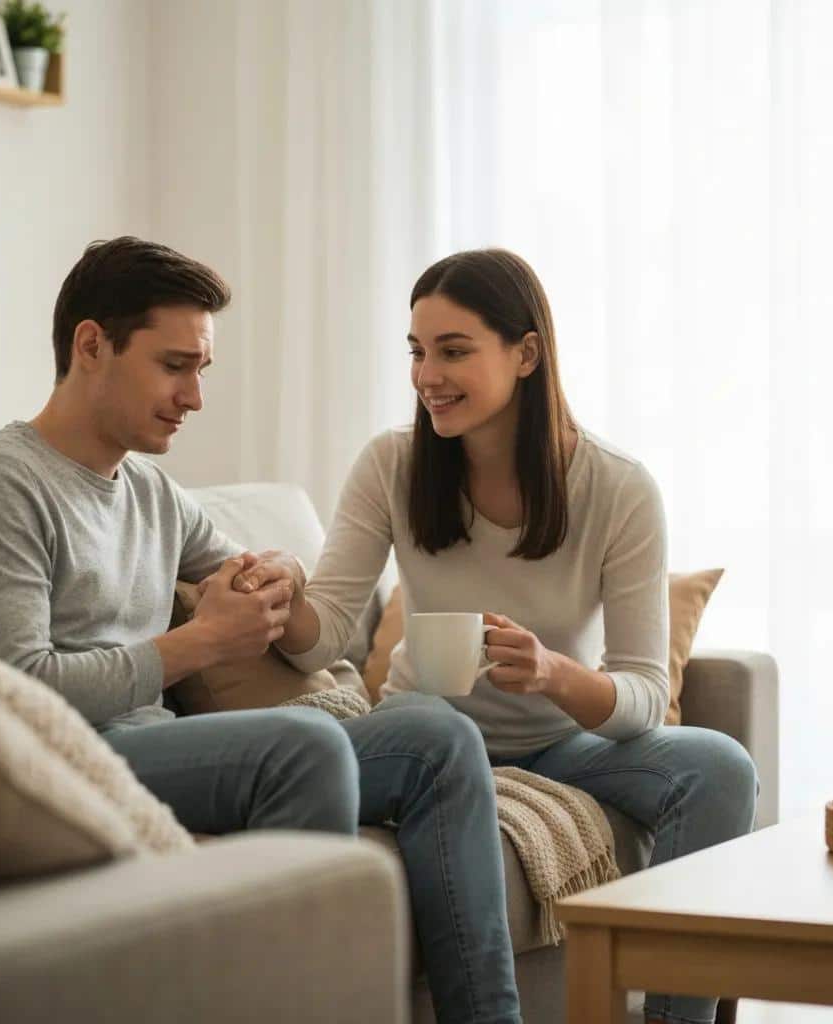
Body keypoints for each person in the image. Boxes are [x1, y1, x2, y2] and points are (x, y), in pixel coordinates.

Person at [0, 237, 520, 1024]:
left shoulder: (150, 489)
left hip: (163, 748)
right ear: (91, 346)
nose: (195, 396)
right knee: (298, 747)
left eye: (201, 369)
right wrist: (199, 645)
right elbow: (18, 694)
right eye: (175, 365)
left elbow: (259, 572)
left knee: (436, 737)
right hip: (71, 759)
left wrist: (280, 574)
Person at [244, 248, 758, 1024]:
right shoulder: (392, 463)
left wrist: (554, 675)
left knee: (717, 766)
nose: (427, 376)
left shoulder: (617, 488)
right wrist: (286, 594)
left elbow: (646, 694)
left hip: (561, 745)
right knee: (433, 723)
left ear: (526, 353)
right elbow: (322, 642)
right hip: (424, 733)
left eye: (453, 351)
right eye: (417, 352)